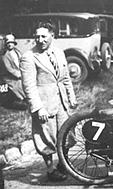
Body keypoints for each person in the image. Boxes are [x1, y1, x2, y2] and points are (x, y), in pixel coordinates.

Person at [20, 22, 77, 182]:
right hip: (44, 104)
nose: (40, 40)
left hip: (61, 102)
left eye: (44, 36)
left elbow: (65, 77)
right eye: (37, 36)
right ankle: (51, 169)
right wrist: (38, 108)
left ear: (52, 35)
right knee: (46, 137)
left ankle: (62, 164)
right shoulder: (29, 57)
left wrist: (71, 96)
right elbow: (28, 86)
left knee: (66, 135)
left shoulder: (58, 52)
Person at [0, 34, 28, 110]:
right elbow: (9, 69)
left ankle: (28, 99)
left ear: (14, 43)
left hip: (20, 73)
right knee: (18, 85)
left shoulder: (17, 52)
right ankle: (22, 100)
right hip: (11, 77)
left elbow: (22, 61)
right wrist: (19, 75)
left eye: (11, 43)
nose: (10, 44)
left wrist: (24, 71)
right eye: (8, 43)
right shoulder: (5, 55)